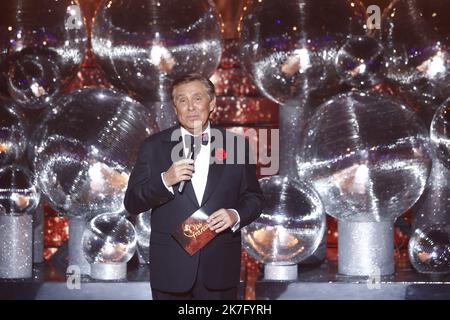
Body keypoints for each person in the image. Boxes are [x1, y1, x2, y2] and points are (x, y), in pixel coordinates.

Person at [124, 73, 263, 300]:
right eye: (182, 100)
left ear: (212, 104)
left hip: (220, 268)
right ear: (175, 107)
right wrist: (164, 181)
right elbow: (131, 202)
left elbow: (254, 198)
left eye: (197, 98)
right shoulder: (153, 146)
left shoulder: (236, 145)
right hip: (170, 269)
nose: (190, 107)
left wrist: (235, 214)